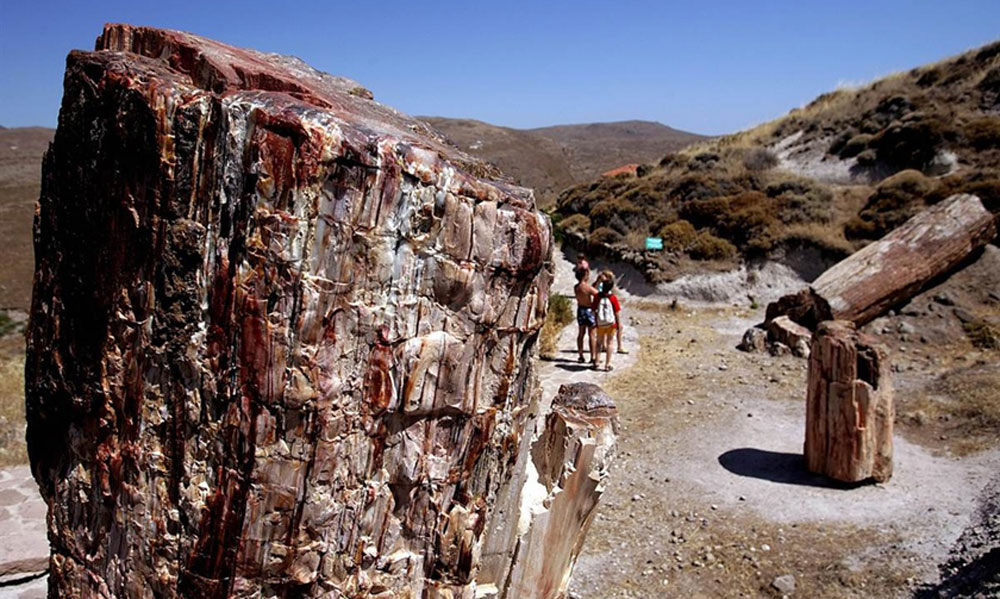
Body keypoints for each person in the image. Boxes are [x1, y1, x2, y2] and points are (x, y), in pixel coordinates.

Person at [597, 270, 627, 354]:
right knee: (617, 327)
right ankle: (619, 346)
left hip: (604, 309)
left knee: (603, 329)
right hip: (608, 309)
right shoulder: (603, 286)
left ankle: (604, 346)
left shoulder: (601, 286)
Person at [573, 267, 598, 365]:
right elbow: (597, 294)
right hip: (589, 310)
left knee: (581, 334)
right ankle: (593, 356)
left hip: (580, 310)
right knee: (592, 334)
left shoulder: (576, 287)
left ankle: (580, 355)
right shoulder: (587, 288)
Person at [594, 278, 618, 371]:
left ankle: (596, 362)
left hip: (600, 324)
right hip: (611, 324)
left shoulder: (597, 297)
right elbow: (616, 312)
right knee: (610, 342)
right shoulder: (613, 298)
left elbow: (594, 309)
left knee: (599, 342)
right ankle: (607, 364)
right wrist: (618, 324)